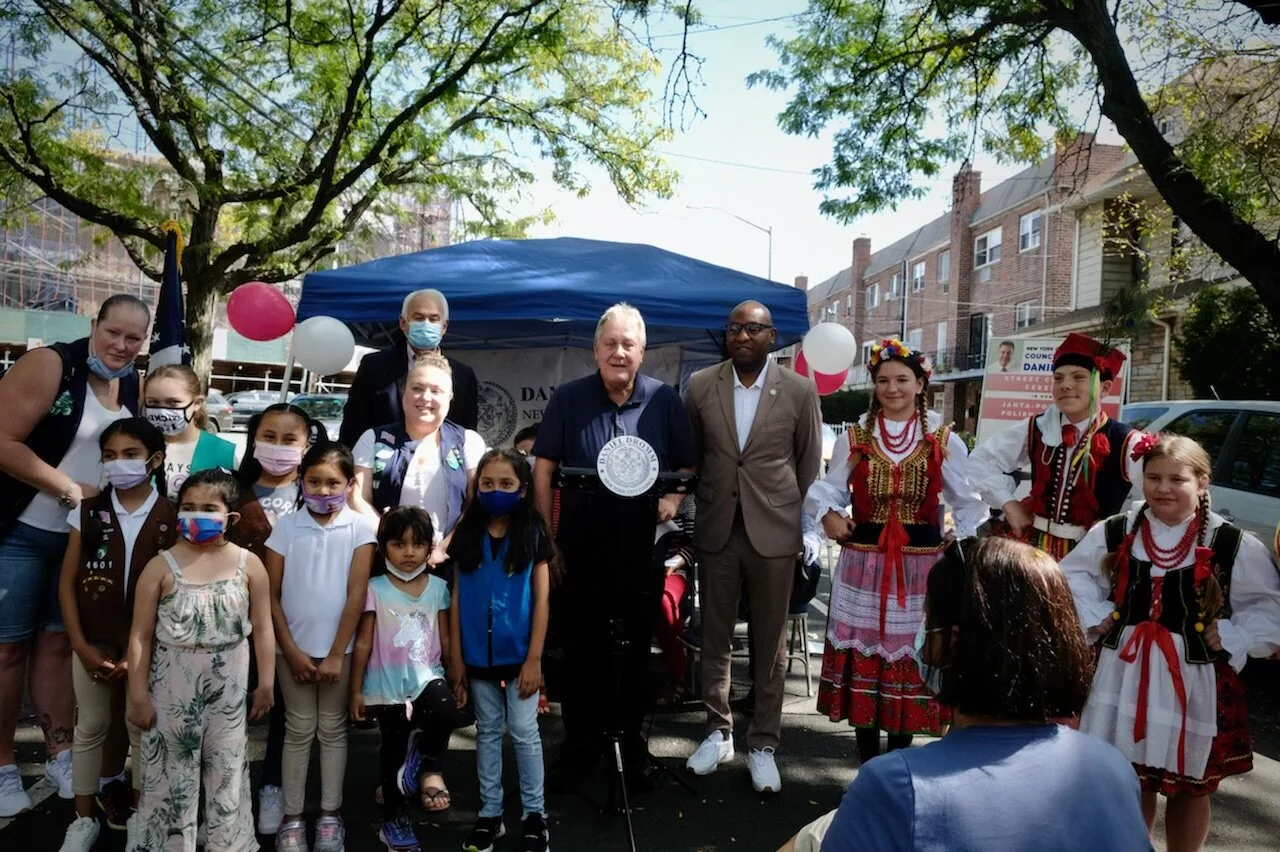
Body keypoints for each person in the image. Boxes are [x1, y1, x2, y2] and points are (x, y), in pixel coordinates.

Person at [809, 537, 1151, 852]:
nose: (922, 643)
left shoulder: (897, 786)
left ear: (954, 642)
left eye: (927, 620)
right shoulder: (1112, 771)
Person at [1061, 434, 1280, 852]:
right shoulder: (1118, 530)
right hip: (1122, 673)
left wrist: (1236, 634)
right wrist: (1097, 614)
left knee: (1190, 787)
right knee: (1128, 777)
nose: (1162, 488)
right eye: (1153, 477)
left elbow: (1269, 606)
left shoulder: (1229, 542)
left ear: (1202, 483)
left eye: (1176, 479)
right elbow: (1070, 577)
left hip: (1194, 677)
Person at [531, 303, 696, 790]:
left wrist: (670, 498)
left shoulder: (665, 400)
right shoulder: (569, 399)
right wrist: (548, 541)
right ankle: (580, 752)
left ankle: (629, 750)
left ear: (642, 351)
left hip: (640, 552)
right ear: (596, 349)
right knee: (582, 656)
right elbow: (543, 469)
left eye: (629, 344)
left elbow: (686, 467)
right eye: (610, 343)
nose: (619, 352)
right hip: (579, 550)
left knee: (633, 657)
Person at [0, 293, 151, 816]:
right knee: (7, 651)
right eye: (114, 332)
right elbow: (2, 440)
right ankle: (1, 765)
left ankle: (61, 749)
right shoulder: (50, 365)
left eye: (134, 338)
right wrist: (69, 489)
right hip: (19, 532)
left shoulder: (129, 382)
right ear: (95, 325)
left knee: (57, 646)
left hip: (79, 542)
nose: (121, 345)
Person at [803, 338, 987, 764]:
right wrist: (830, 515)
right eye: (883, 380)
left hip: (921, 568)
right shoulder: (858, 437)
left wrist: (962, 540)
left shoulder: (944, 440)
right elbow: (828, 490)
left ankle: (899, 762)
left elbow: (970, 502)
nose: (892, 388)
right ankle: (868, 760)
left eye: (903, 379)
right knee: (866, 654)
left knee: (909, 658)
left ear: (921, 384)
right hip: (863, 563)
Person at [681, 301, 822, 793]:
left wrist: (792, 516)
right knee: (715, 636)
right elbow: (693, 455)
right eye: (734, 328)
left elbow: (808, 463)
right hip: (719, 527)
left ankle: (763, 741)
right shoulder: (700, 386)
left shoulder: (800, 390)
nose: (742, 335)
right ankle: (719, 733)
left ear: (772, 336)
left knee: (771, 643)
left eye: (754, 328)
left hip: (775, 530)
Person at [124, 469, 275, 852]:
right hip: (172, 691)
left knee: (226, 771)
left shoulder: (249, 565)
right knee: (171, 775)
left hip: (228, 694)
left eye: (209, 508)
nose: (197, 515)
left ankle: (228, 844)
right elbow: (140, 635)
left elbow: (263, 628)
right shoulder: (161, 566)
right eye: (188, 507)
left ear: (231, 518)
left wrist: (266, 684)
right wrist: (138, 696)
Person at [56, 418, 171, 851]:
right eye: (110, 455)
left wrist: (142, 650)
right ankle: (83, 820)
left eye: (130, 455)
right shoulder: (86, 511)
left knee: (141, 727)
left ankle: (141, 817)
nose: (118, 463)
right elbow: (67, 583)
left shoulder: (171, 514)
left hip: (150, 646)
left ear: (155, 460)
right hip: (93, 641)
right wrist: (81, 646)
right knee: (92, 726)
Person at [266, 442, 376, 852]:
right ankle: (292, 819)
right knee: (298, 729)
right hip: (289, 650)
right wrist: (291, 651)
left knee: (331, 728)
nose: (323, 489)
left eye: (333, 482)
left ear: (350, 485)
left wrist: (335, 654)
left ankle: (330, 815)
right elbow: (271, 596)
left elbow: (356, 594)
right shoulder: (286, 528)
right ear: (301, 480)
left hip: (339, 653)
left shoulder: (361, 530)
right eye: (314, 481)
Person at [227, 402, 326, 836]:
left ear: (307, 446)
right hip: (232, 624)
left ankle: (273, 789)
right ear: (253, 440)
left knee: (288, 713)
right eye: (269, 437)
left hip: (295, 625)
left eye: (290, 440)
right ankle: (224, 798)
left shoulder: (319, 493)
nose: (278, 447)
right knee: (230, 710)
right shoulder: (231, 491)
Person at [448, 448, 552, 852]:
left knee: (525, 733)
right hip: (476, 656)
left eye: (506, 484)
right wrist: (456, 657)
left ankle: (534, 815)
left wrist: (534, 659)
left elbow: (542, 601)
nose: (495, 491)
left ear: (522, 489)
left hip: (521, 655)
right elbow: (457, 597)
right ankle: (490, 814)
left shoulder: (533, 534)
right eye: (487, 483)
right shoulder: (467, 535)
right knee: (488, 731)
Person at [969, 332, 1145, 559]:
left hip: (1091, 557)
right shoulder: (1037, 427)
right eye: (1058, 378)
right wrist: (1009, 504)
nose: (1066, 385)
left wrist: (1119, 530)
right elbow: (980, 461)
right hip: (1033, 550)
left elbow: (1160, 491)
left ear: (1105, 388)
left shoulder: (1126, 440)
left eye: (1079, 377)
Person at [351, 507, 457, 852]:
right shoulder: (374, 588)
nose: (409, 553)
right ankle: (395, 820)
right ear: (383, 548)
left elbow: (445, 639)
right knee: (392, 752)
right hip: (386, 685)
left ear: (431, 548)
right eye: (399, 544)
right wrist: (355, 690)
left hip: (428, 675)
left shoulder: (439, 588)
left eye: (418, 544)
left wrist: (457, 676)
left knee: (443, 711)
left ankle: (423, 760)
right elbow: (364, 641)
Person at [350, 353, 487, 568]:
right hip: (384, 563)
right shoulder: (372, 439)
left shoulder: (469, 442)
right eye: (417, 388)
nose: (425, 397)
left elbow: (476, 503)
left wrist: (443, 550)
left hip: (449, 563)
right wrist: (393, 543)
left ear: (450, 396)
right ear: (403, 391)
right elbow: (357, 498)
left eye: (436, 391)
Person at [340, 288, 479, 445]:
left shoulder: (462, 375)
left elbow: (467, 434)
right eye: (418, 318)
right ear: (403, 323)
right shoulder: (374, 367)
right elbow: (353, 427)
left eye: (434, 319)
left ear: (444, 326)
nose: (426, 324)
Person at [142, 364, 238, 496]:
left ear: (197, 403)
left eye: (173, 402)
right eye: (153, 402)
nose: (163, 411)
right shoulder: (137, 447)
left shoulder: (223, 451)